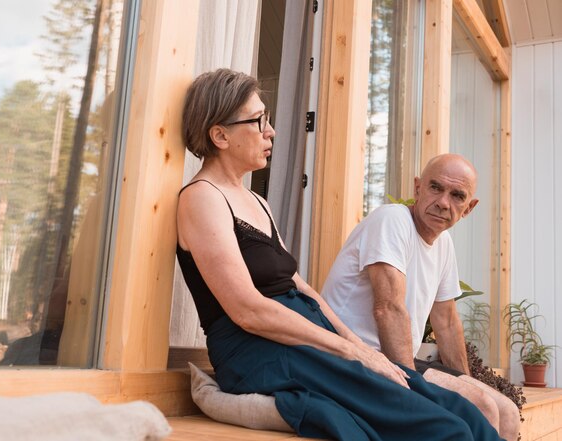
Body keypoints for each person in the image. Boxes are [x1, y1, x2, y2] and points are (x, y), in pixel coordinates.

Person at [176, 68, 504, 441]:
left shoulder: (256, 202)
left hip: (310, 342)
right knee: (444, 429)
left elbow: (302, 288)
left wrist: (361, 347)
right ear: (219, 135)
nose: (271, 131)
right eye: (258, 120)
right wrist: (348, 351)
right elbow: (248, 310)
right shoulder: (202, 198)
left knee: (463, 413)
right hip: (263, 351)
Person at [322, 153, 520, 441]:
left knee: (507, 410)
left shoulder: (443, 245)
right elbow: (388, 309)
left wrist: (465, 381)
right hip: (354, 357)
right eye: (435, 188)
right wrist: (412, 393)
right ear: (417, 188)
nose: (443, 202)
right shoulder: (392, 220)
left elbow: (447, 323)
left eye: (457, 195)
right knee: (481, 407)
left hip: (395, 360)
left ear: (469, 208)